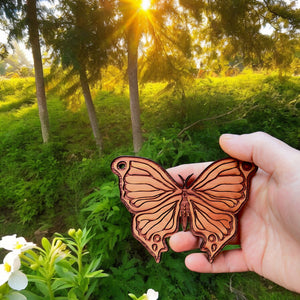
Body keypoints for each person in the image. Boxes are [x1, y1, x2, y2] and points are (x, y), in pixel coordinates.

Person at [167, 132, 300, 294]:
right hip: (211, 214)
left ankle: (210, 240)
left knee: (183, 239)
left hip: (194, 213)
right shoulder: (215, 179)